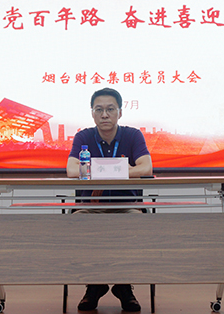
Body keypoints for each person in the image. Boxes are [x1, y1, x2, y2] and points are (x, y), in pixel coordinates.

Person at [66, 88, 153, 312]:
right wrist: (120, 170)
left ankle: (124, 286)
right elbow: (72, 170)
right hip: (91, 208)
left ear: (120, 112)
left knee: (136, 225)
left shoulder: (133, 135)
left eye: (110, 109)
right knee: (78, 224)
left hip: (126, 206)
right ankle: (95, 284)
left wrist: (99, 172)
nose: (105, 114)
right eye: (99, 109)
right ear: (92, 113)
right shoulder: (83, 137)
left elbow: (146, 168)